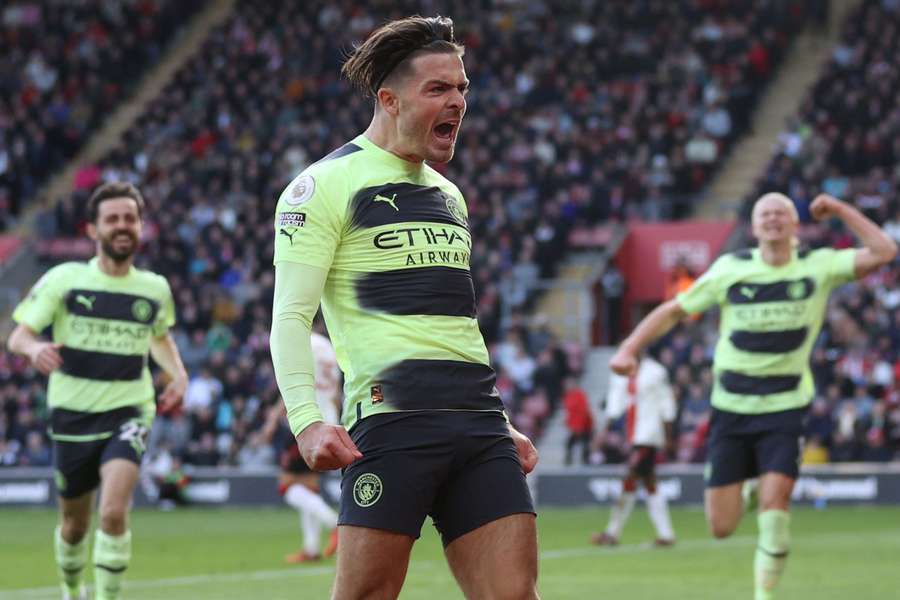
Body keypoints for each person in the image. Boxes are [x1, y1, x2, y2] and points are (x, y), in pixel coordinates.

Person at [269, 16, 539, 599]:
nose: (458, 101)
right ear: (389, 99)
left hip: (478, 420)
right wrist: (306, 420)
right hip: (393, 423)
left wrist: (504, 419)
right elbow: (290, 316)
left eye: (462, 87)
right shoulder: (322, 186)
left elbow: (453, 320)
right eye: (438, 89)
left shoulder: (449, 195)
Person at [608, 192, 897, 600]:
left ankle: (764, 594)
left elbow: (884, 251)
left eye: (782, 212)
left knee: (775, 508)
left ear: (796, 224)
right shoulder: (731, 269)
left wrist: (839, 209)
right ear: (755, 225)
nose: (774, 219)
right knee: (721, 528)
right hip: (731, 409)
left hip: (786, 407)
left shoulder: (819, 265)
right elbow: (674, 309)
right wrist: (628, 348)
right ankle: (747, 490)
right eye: (766, 213)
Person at [7, 182, 187, 600]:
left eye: (130, 218)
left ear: (140, 226)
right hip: (72, 414)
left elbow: (158, 336)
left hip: (129, 409)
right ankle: (72, 590)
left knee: (112, 511)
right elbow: (19, 335)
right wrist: (34, 349)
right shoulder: (65, 280)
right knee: (74, 526)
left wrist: (178, 374)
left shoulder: (154, 288)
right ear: (93, 230)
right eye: (113, 219)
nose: (122, 226)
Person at [264, 327, 341, 564]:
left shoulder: (298, 340)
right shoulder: (328, 347)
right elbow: (337, 392)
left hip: (306, 422)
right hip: (328, 420)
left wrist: (272, 419)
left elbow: (292, 384)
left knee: (288, 488)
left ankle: (334, 524)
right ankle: (311, 548)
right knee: (309, 488)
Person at [591, 353, 676, 547]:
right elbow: (617, 402)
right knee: (649, 483)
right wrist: (605, 429)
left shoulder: (656, 372)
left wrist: (669, 435)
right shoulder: (624, 371)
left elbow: (667, 402)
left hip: (649, 435)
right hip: (635, 435)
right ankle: (666, 535)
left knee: (629, 478)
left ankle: (611, 533)